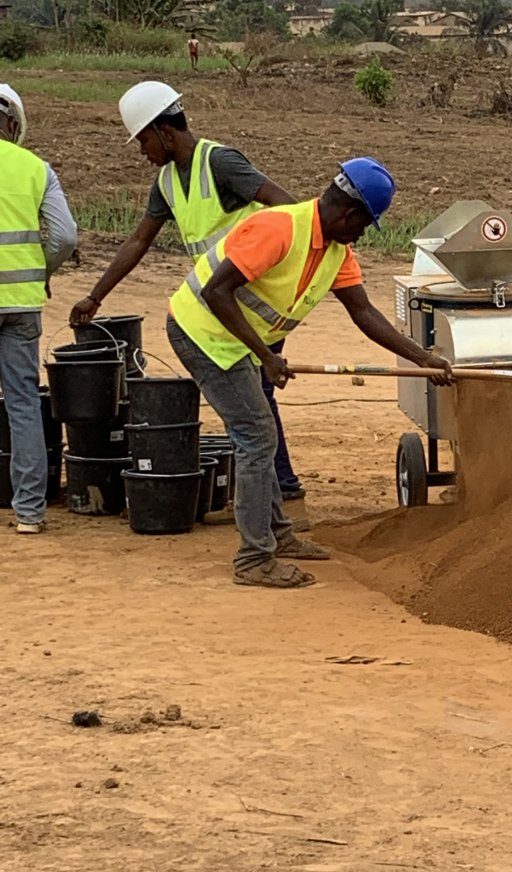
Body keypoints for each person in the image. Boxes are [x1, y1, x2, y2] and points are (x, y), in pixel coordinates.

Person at [166, 157, 452, 589]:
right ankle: (254, 559)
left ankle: (279, 537)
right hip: (201, 332)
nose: (360, 235)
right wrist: (265, 355)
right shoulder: (279, 229)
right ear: (348, 214)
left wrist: (422, 358)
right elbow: (216, 292)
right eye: (363, 225)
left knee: (261, 434)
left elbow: (364, 312)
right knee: (256, 434)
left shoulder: (337, 251)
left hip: (236, 340)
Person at [69, 81, 310, 503]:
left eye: (143, 140)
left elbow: (289, 209)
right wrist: (95, 296)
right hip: (222, 304)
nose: (142, 151)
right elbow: (138, 242)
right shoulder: (166, 181)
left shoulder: (220, 163)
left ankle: (279, 489)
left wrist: (263, 259)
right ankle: (272, 488)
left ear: (165, 131)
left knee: (256, 394)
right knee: (252, 397)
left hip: (257, 300)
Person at [0, 84, 77, 534]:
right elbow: (65, 238)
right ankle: (29, 512)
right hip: (23, 305)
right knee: (23, 402)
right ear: (14, 123)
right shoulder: (36, 169)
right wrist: (41, 270)